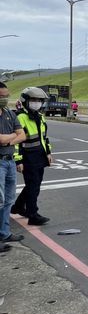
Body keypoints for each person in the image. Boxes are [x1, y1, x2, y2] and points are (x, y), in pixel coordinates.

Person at [11, 87, 52, 226]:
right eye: (34, 100)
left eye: (39, 101)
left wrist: (48, 152)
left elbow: (44, 138)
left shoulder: (39, 116)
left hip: (39, 156)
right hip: (27, 158)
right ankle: (32, 214)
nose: (37, 103)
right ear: (26, 101)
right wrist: (18, 160)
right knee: (33, 186)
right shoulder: (20, 117)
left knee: (34, 185)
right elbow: (17, 141)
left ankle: (17, 207)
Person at [0, 82, 26, 252]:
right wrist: (10, 137)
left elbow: (22, 135)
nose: (5, 99)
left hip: (9, 161)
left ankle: (4, 232)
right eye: (2, 96)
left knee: (9, 199)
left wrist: (8, 139)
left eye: (6, 96)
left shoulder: (10, 113)